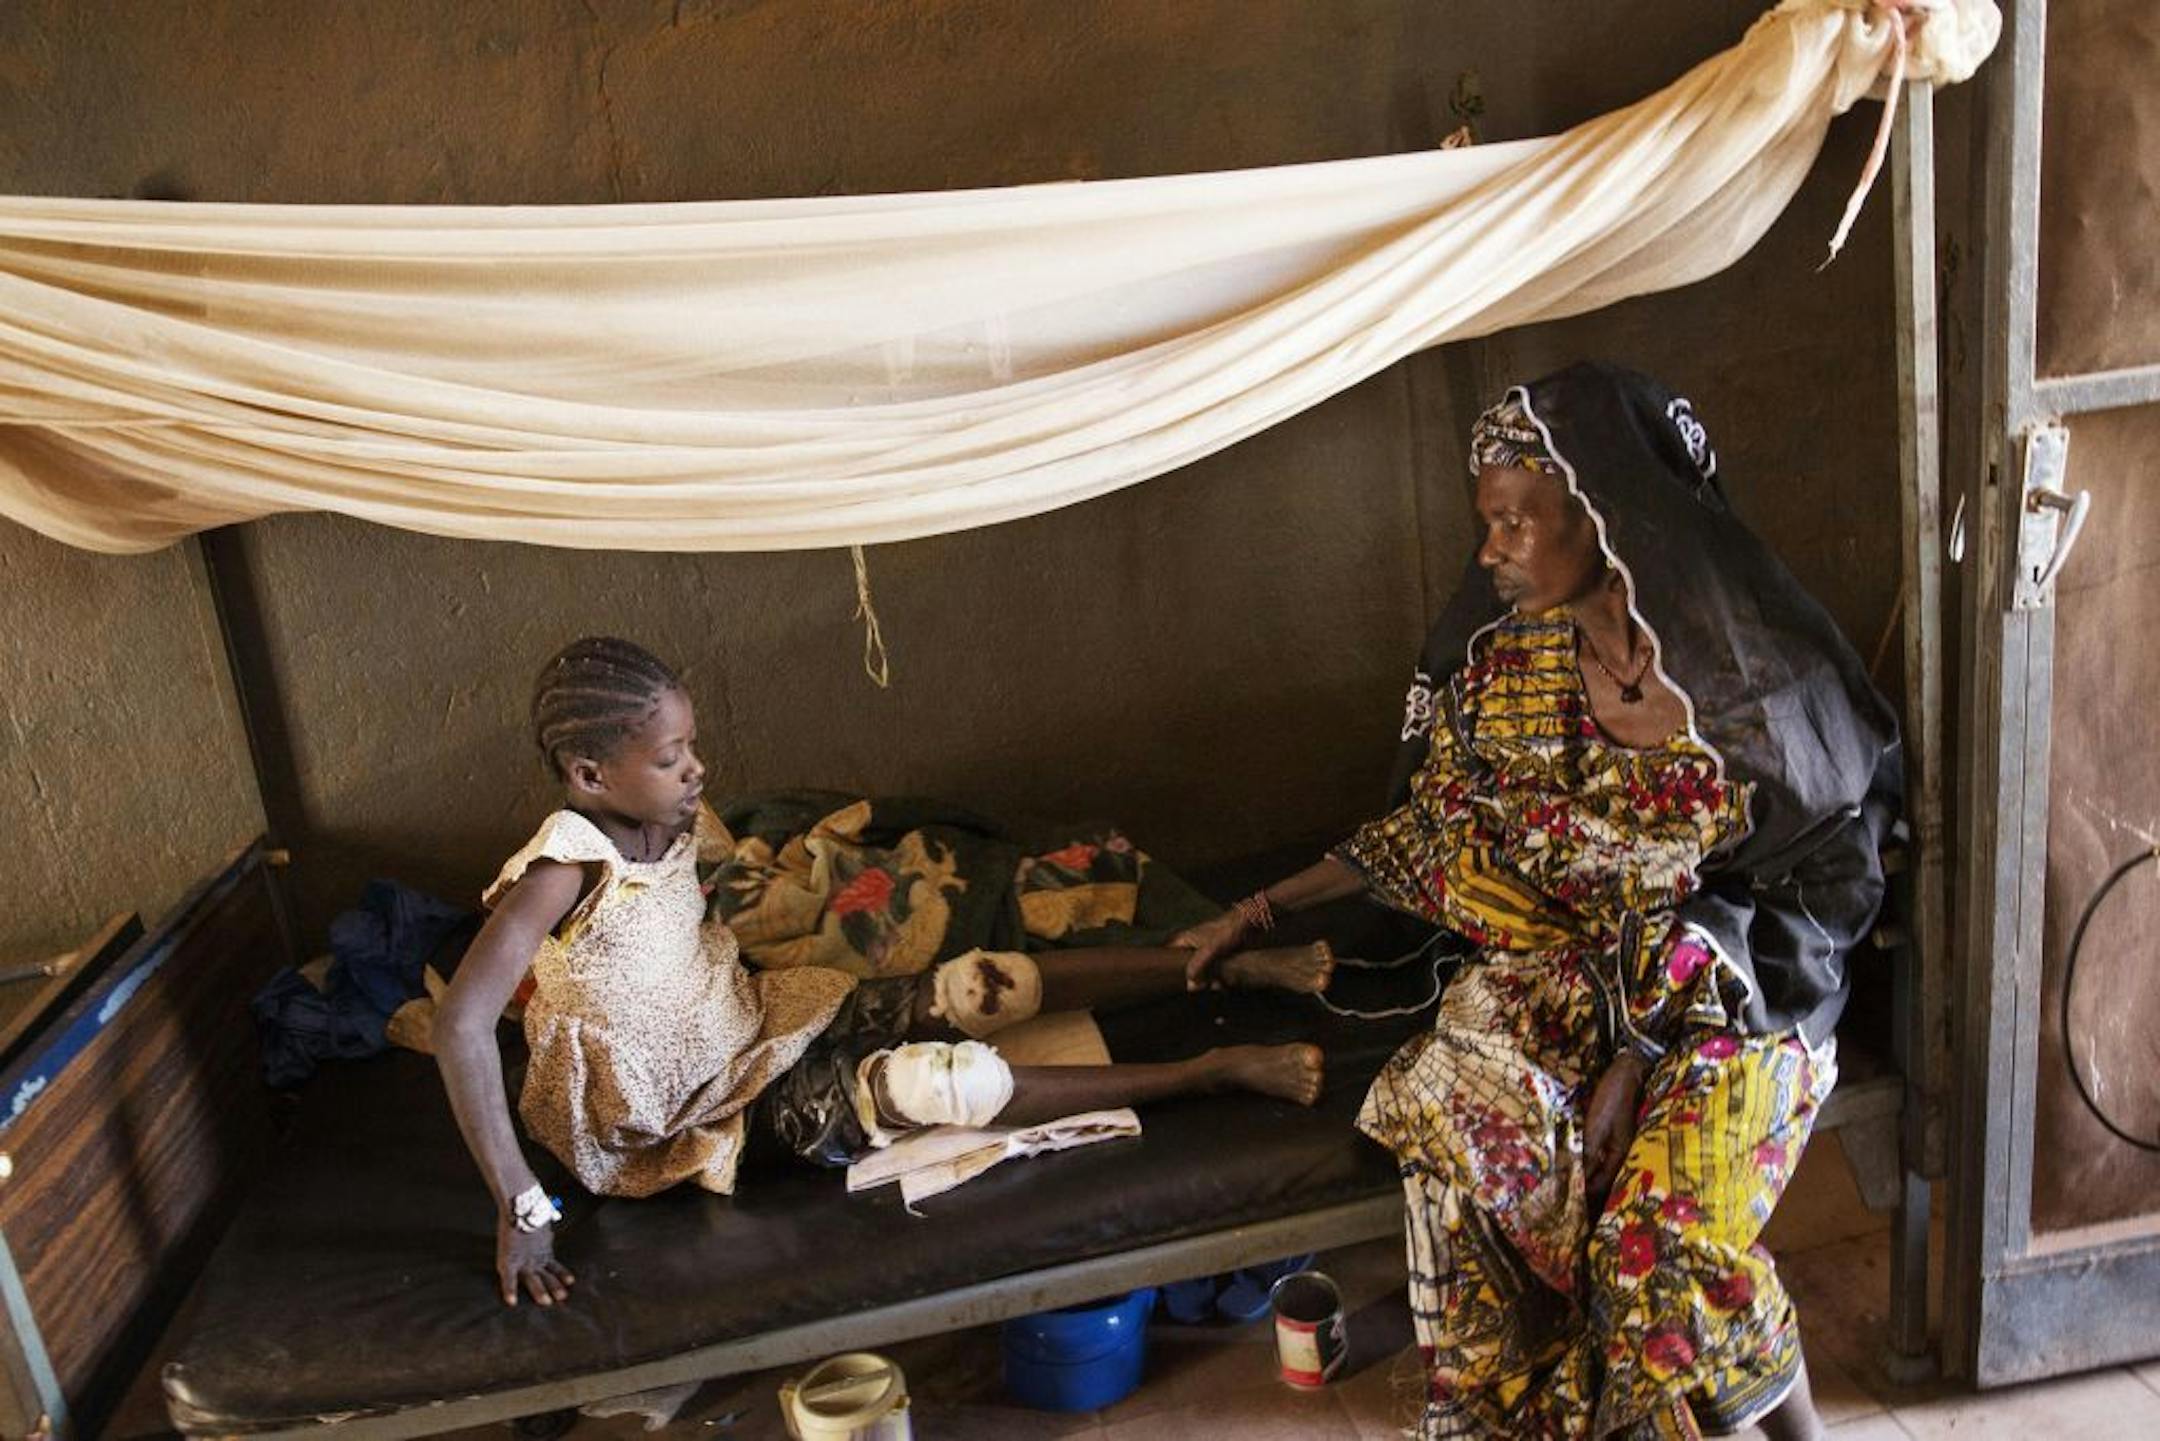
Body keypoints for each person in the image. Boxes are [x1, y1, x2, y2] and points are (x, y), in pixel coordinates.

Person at [1179, 362, 1899, 1441]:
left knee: (1655, 1248)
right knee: (1469, 1138)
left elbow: (1819, 892)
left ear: (1606, 514)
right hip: (1571, 983)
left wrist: (1639, 1055)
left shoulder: (1759, 688)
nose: (1490, 551)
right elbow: (1438, 829)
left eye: (1516, 521)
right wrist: (1259, 909)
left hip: (1745, 995)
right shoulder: (1513, 671)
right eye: (1488, 523)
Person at [435, 635, 1331, 1308]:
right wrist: (523, 1209)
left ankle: (1214, 965)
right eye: (671, 758)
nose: (697, 768)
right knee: (946, 1081)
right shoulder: (564, 868)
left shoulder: (668, 813)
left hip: (748, 1020)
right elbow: (461, 1023)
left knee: (984, 982)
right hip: (687, 1115)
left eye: (691, 745)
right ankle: (1207, 1071)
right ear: (590, 774)